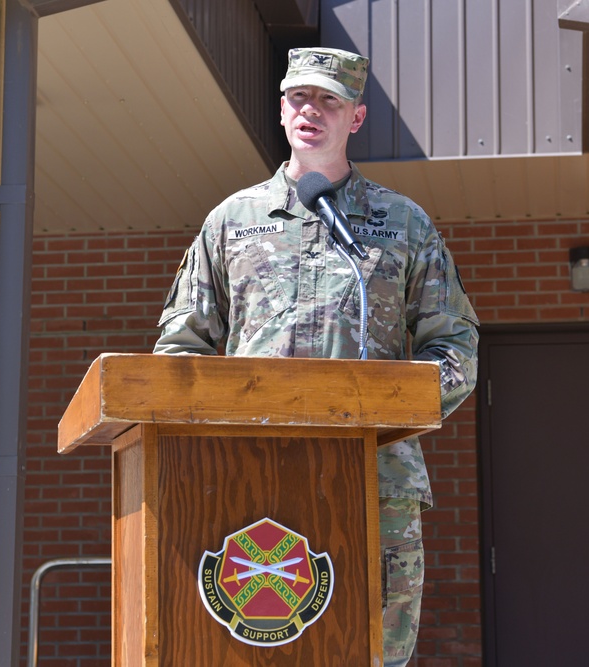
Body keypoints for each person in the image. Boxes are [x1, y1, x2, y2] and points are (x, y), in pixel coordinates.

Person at [154, 46, 479, 666]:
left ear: (355, 118)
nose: (312, 110)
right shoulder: (231, 223)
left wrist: (390, 415)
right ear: (281, 111)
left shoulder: (402, 225)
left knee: (373, 650)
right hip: (249, 477)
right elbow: (180, 349)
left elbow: (455, 345)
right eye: (300, 97)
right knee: (258, 644)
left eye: (330, 100)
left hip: (375, 476)